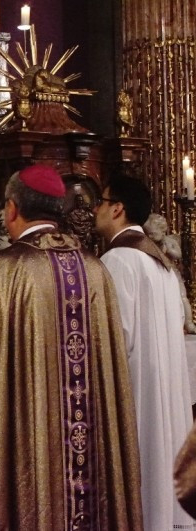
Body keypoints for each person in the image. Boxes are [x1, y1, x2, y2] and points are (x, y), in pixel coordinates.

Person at [0, 165, 143, 530]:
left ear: (12, 209)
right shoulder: (96, 270)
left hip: (36, 436)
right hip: (90, 443)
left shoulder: (5, 271)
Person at [93, 176, 193, 530]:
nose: (95, 209)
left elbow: (113, 337)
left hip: (136, 392)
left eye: (101, 201)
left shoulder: (118, 260)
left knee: (141, 479)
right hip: (163, 389)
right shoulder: (161, 263)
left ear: (117, 208)